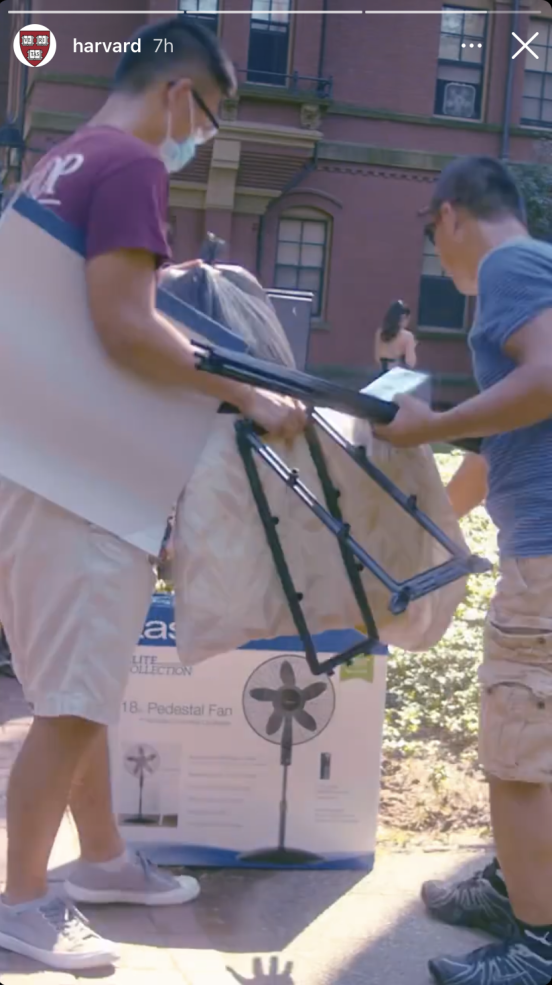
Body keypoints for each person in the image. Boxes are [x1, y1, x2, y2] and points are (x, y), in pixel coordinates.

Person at [0, 17, 305, 973]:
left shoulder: (59, 161)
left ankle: (101, 860)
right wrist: (245, 389)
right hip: (82, 480)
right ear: (181, 95)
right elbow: (125, 328)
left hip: (34, 462)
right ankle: (21, 902)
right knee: (74, 704)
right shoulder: (133, 165)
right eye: (210, 117)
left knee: (76, 690)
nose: (202, 136)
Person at [374, 155, 552, 985]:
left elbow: (549, 380)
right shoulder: (534, 275)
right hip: (539, 543)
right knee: (536, 733)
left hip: (546, 555)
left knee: (517, 746)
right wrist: (433, 531)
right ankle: (515, 880)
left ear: (449, 214)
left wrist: (424, 424)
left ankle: (537, 943)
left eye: (430, 235)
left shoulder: (510, 266)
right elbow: (501, 444)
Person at [374, 299, 417, 373]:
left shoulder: (380, 332)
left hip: (382, 372)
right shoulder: (408, 336)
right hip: (398, 374)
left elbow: (377, 357)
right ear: (403, 317)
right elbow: (410, 363)